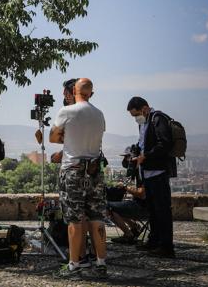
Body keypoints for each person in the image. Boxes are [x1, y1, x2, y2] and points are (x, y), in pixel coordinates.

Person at [50, 78, 108, 279]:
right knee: (97, 217)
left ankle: (74, 265)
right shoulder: (99, 114)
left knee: (74, 220)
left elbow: (52, 137)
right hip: (94, 171)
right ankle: (101, 263)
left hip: (73, 170)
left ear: (74, 90)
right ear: (91, 92)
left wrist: (67, 136)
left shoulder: (67, 111)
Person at [127, 96, 176, 258]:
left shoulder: (158, 119)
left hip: (158, 173)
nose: (136, 118)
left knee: (162, 211)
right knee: (153, 210)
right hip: (147, 174)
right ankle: (153, 242)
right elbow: (143, 143)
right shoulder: (145, 123)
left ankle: (166, 246)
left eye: (136, 115)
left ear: (145, 109)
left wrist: (145, 156)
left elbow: (164, 144)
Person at [108, 154, 147, 244]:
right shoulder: (140, 170)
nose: (127, 162)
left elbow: (141, 194)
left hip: (142, 206)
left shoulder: (142, 171)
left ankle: (129, 235)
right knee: (117, 206)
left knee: (108, 207)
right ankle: (134, 227)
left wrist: (126, 187)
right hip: (141, 204)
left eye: (128, 159)